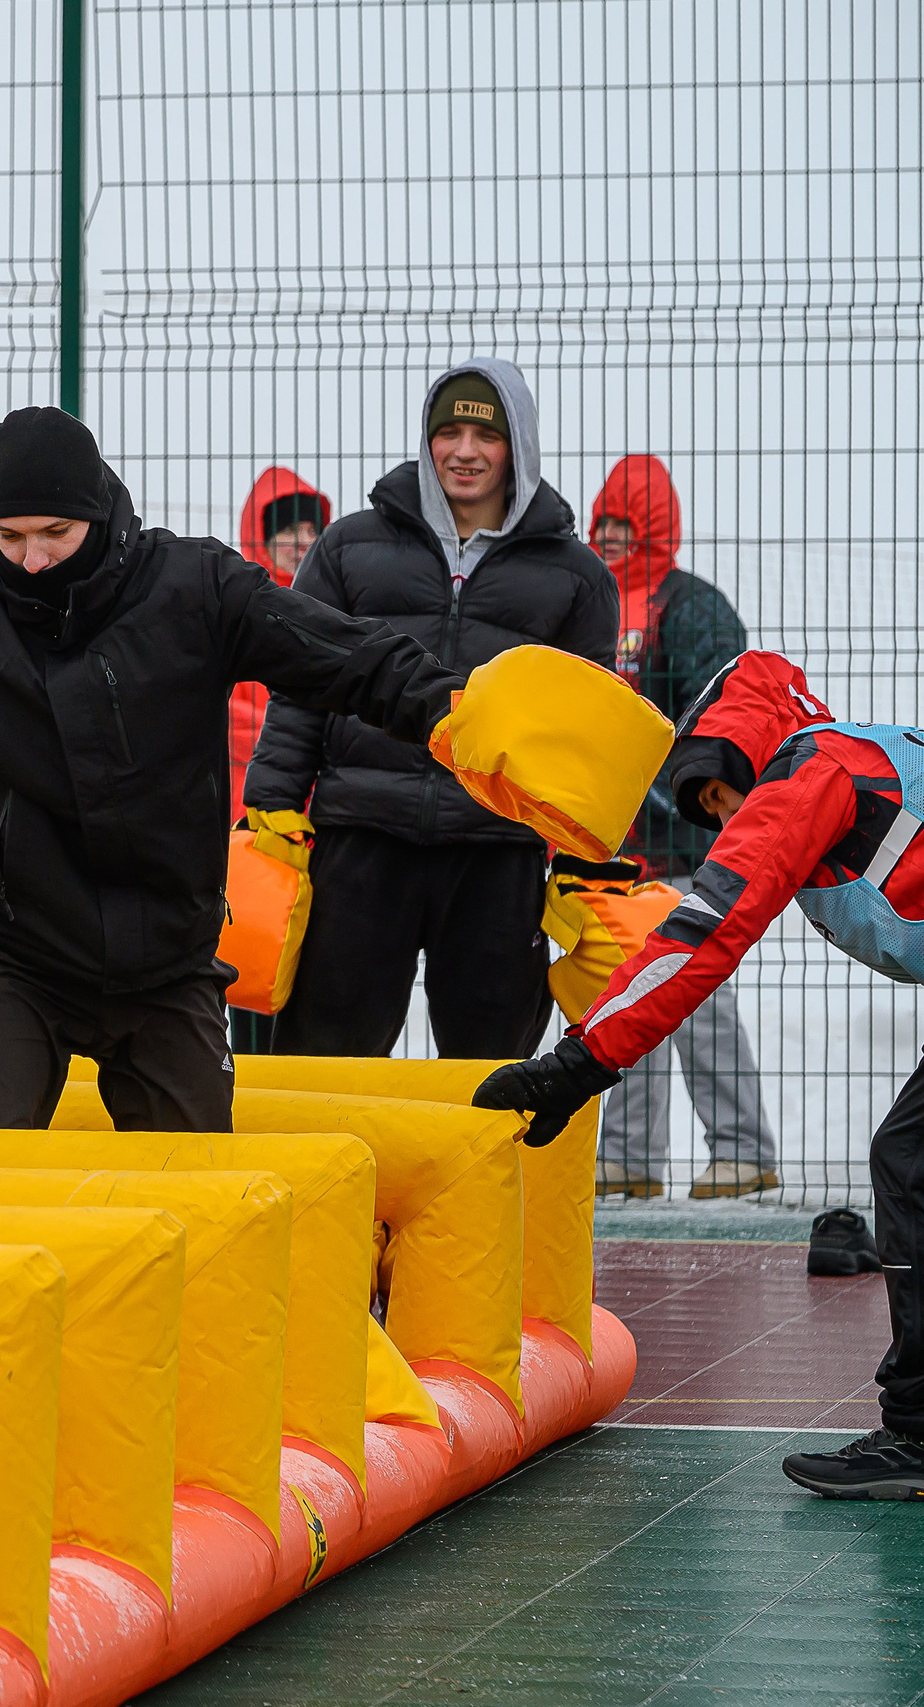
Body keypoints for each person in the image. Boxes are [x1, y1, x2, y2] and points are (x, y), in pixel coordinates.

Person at [0, 405, 468, 1133]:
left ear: (97, 510)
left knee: (199, 1201)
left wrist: (458, 712)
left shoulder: (194, 587)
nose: (32, 558)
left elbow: (345, 655)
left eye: (56, 533)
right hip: (8, 956)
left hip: (168, 962)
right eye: (10, 536)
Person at [474, 652, 924, 1497]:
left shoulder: (807, 773)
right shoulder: (862, 760)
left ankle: (920, 1430)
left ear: (741, 747)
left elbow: (703, 931)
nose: (722, 823)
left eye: (716, 795)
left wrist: (580, 1061)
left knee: (910, 1164)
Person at [245, 359, 616, 1059]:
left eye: (487, 436)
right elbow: (300, 686)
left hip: (496, 848)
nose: (464, 452)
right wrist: (272, 804)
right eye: (447, 431)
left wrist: (582, 859)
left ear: (519, 447)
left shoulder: (578, 577)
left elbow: (586, 733)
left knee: (492, 1068)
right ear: (427, 439)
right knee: (325, 1059)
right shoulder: (349, 547)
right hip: (361, 839)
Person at [588, 454, 780, 1198]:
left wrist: (697, 800)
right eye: (602, 524)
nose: (608, 538)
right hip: (610, 850)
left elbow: (725, 716)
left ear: (654, 527)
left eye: (623, 526)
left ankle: (742, 1151)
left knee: (695, 994)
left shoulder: (691, 607)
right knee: (625, 990)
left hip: (687, 843)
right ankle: (628, 1163)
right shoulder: (594, 606)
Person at [226, 467, 332, 1056]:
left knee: (319, 974)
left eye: (308, 530)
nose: (298, 541)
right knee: (252, 967)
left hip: (319, 829)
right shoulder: (244, 609)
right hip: (253, 830)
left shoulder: (332, 608)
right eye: (286, 530)